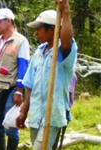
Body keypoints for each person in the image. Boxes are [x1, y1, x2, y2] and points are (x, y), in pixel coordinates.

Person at [16, 1, 78, 149]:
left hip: (52, 115)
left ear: (52, 30)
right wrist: (24, 110)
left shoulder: (62, 50)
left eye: (39, 29)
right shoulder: (39, 51)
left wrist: (66, 12)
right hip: (36, 114)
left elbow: (67, 42)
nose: (35, 33)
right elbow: (30, 84)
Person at [0, 8, 30, 150]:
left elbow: (23, 66)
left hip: (11, 87)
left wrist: (19, 90)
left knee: (11, 124)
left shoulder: (20, 41)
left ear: (9, 21)